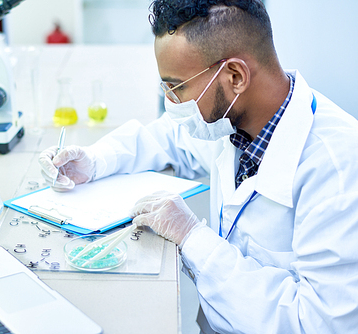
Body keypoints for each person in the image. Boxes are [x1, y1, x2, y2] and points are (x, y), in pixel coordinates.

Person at [39, 0, 358, 333]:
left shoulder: (337, 168)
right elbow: (167, 137)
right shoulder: (233, 119)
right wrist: (93, 161)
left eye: (176, 87)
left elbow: (319, 323)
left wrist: (192, 238)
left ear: (235, 76)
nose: (171, 103)